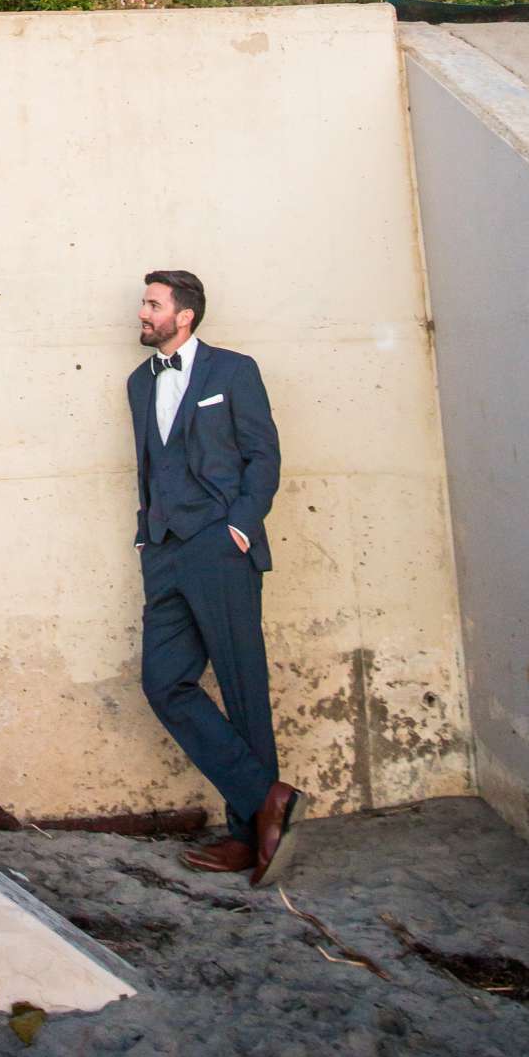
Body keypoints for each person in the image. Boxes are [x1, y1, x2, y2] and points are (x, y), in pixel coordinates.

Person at [129, 267, 303, 885]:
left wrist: (240, 526)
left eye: (152, 304)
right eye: (144, 304)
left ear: (185, 315)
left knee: (241, 685)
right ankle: (265, 800)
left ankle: (244, 834)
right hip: (167, 551)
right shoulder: (137, 383)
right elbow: (151, 464)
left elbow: (264, 454)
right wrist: (149, 536)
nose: (142, 313)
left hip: (220, 545)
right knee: (164, 681)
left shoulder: (233, 371)